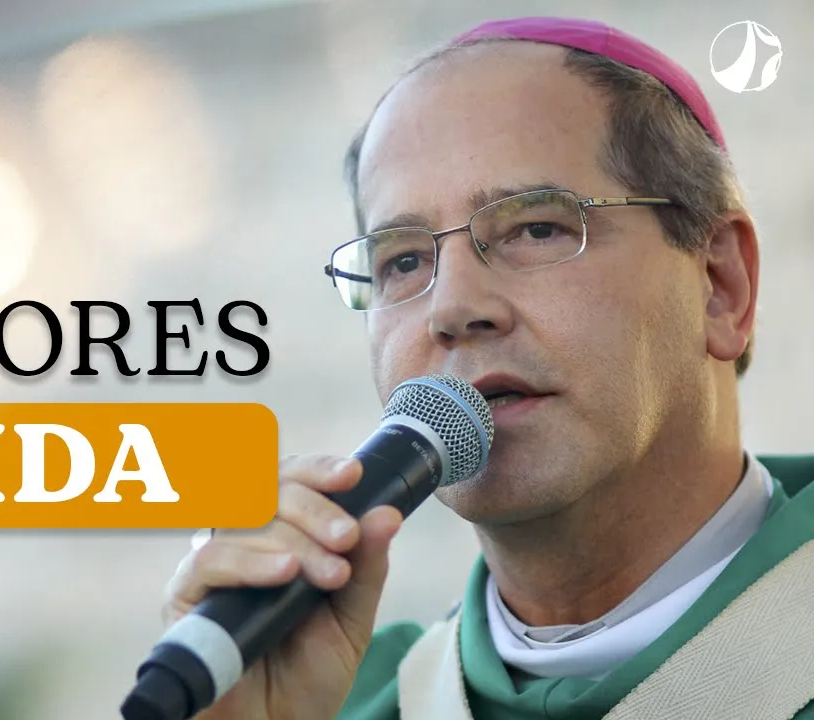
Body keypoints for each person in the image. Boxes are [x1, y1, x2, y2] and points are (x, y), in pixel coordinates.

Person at [159, 15, 814, 720]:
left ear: (720, 286)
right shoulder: (327, 696)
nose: (452, 308)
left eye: (536, 228)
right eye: (403, 262)